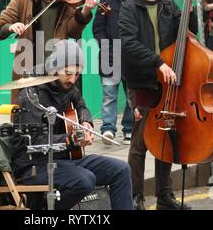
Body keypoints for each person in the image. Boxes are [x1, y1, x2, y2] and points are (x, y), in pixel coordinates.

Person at [11, 40, 133, 210]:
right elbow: (34, 142)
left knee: (121, 170)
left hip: (65, 159)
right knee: (84, 180)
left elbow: (82, 106)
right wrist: (70, 140)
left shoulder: (67, 87)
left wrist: (86, 123)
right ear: (54, 68)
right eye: (68, 73)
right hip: (35, 166)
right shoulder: (32, 94)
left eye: (77, 74)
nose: (72, 79)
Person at [119, 0, 198, 210]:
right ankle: (135, 197)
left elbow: (186, 35)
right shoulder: (129, 7)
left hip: (168, 81)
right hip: (142, 81)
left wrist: (190, 8)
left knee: (165, 136)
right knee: (140, 142)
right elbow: (129, 44)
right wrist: (158, 63)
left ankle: (165, 196)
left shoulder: (169, 5)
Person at [93, 0, 134, 145]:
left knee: (132, 96)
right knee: (109, 95)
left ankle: (129, 129)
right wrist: (106, 46)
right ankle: (108, 129)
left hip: (132, 56)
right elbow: (98, 28)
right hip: (110, 55)